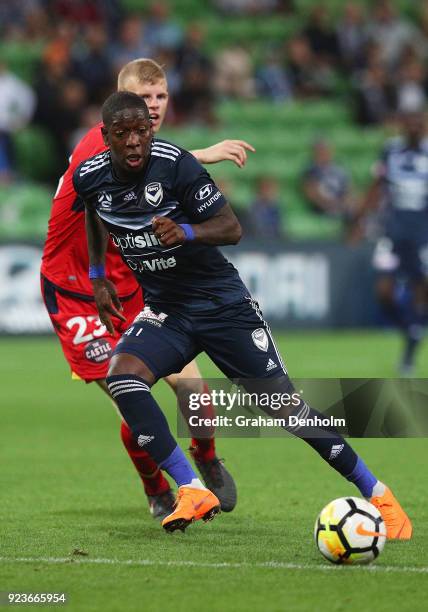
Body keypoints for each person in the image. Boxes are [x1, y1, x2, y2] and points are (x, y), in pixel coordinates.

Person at [79, 90, 412, 537]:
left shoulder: (175, 163)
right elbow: (96, 214)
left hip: (223, 307)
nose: (135, 142)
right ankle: (191, 487)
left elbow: (231, 228)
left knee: (287, 410)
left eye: (142, 131)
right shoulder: (91, 177)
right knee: (123, 375)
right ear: (107, 137)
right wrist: (98, 275)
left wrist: (187, 231)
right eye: (124, 135)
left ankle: (379, 494)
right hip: (168, 311)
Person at [41, 58, 255, 520]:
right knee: (130, 392)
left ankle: (207, 455)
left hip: (133, 282)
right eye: (143, 97)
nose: (152, 107)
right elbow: (103, 190)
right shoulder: (98, 144)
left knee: (194, 389)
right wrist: (203, 152)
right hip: (75, 288)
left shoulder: (150, 148)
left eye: (160, 98)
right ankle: (158, 487)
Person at [355, 111, 428, 375]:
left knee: (423, 286)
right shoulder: (391, 151)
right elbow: (376, 187)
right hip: (393, 232)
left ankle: (410, 350)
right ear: (403, 125)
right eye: (410, 121)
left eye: (419, 122)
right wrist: (358, 221)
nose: (414, 126)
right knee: (384, 291)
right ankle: (411, 330)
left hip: (423, 231)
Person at [302, 139, 356, 219]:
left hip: (341, 207)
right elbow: (311, 192)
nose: (323, 153)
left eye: (325, 150)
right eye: (320, 151)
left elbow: (349, 189)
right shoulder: (311, 170)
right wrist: (331, 205)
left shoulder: (339, 169)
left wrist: (346, 202)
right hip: (322, 209)